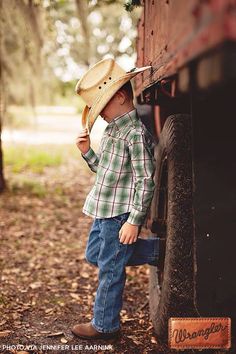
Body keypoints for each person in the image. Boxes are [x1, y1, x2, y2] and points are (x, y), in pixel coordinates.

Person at [71, 58, 160, 340]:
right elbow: (107, 171)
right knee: (95, 254)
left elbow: (146, 180)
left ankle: (105, 325)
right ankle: (159, 251)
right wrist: (88, 152)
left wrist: (134, 221)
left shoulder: (134, 134)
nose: (101, 116)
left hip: (119, 215)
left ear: (120, 97)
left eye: (102, 107)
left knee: (110, 269)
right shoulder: (113, 130)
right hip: (103, 210)